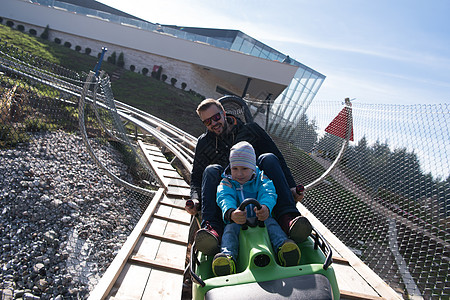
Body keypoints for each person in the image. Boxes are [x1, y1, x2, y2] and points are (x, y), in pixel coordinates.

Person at [186, 98, 312, 255]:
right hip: (228, 193)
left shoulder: (251, 130)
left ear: (224, 114)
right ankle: (213, 229)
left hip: (256, 188)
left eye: (216, 117)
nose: (213, 123)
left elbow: (277, 158)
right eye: (207, 122)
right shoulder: (204, 142)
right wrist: (195, 198)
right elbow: (197, 176)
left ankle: (287, 218)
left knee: (269, 158)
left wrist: (291, 187)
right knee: (211, 170)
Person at [212, 141, 301, 276]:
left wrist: (265, 207)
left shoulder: (260, 178)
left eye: (244, 169)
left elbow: (268, 192)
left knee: (272, 225)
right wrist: (231, 212)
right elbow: (224, 196)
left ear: (253, 168)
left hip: (260, 216)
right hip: (238, 220)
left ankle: (283, 248)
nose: (239, 174)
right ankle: (227, 258)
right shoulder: (227, 181)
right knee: (230, 232)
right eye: (235, 169)